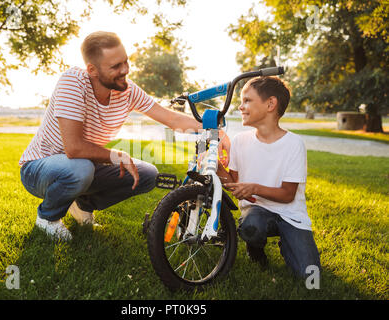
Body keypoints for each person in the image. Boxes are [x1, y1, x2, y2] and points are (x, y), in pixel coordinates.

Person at [19, 31, 230, 241]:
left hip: (83, 165)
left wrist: (213, 130)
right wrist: (117, 155)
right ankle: (47, 218)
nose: (125, 70)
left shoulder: (128, 91)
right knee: (80, 168)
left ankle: (83, 205)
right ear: (92, 70)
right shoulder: (72, 82)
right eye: (115, 67)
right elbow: (73, 148)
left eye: (125, 62)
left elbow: (172, 119)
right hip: (39, 167)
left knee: (147, 174)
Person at [217, 76, 321, 279]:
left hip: (291, 216)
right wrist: (217, 168)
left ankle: (290, 239)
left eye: (247, 100)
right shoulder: (240, 141)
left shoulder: (294, 144)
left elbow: (288, 195)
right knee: (251, 227)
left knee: (311, 277)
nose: (240, 107)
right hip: (257, 212)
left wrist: (255, 188)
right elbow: (234, 184)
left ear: (270, 104)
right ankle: (255, 249)